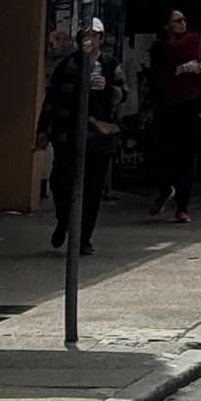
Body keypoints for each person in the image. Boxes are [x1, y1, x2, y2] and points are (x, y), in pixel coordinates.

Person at [38, 20, 120, 253]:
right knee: (60, 182)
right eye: (85, 35)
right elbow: (51, 100)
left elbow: (123, 93)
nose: (89, 40)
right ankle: (65, 220)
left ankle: (83, 238)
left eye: (94, 35)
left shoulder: (110, 65)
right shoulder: (67, 66)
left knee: (92, 190)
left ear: (100, 39)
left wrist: (107, 88)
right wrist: (43, 129)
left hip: (98, 137)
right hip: (68, 134)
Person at [146, 7, 201, 223]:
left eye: (184, 19)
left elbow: (200, 73)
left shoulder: (193, 41)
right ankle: (164, 189)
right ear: (167, 25)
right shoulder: (160, 48)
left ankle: (183, 205)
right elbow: (158, 77)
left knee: (186, 157)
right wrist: (181, 69)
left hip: (188, 106)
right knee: (162, 153)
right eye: (177, 21)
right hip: (166, 106)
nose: (182, 24)